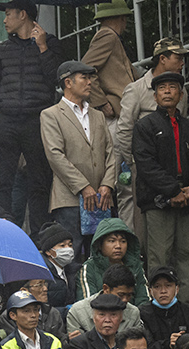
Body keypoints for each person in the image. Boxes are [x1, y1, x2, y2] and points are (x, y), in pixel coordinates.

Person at [0, 0, 64, 234]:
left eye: (8, 14)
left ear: (23, 15)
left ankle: (41, 238)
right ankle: (3, 233)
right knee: (3, 184)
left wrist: (42, 48)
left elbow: (56, 80)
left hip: (37, 120)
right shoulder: (1, 49)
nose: (4, 20)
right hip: (6, 121)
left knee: (39, 182)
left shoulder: (50, 44)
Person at [136, 72, 189, 304]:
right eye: (162, 88)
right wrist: (172, 191)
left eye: (173, 87)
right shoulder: (145, 125)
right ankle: (160, 311)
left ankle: (187, 311)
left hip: (188, 199)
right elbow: (146, 165)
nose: (167, 91)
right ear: (155, 96)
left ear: (181, 94)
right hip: (158, 201)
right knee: (159, 259)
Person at [40, 60, 117, 242]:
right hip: (69, 199)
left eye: (90, 77)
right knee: (71, 253)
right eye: (84, 77)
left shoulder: (97, 115)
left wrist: (107, 184)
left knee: (101, 254)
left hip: (101, 198)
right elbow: (55, 155)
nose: (90, 82)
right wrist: (83, 186)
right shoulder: (51, 115)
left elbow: (110, 153)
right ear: (68, 82)